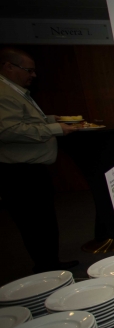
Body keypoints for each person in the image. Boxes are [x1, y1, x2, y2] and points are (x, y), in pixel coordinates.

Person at [0, 47, 77, 273]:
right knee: (33, 224)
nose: (33, 75)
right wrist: (54, 128)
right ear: (8, 66)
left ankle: (50, 265)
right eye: (28, 70)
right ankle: (46, 271)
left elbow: (29, 120)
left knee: (44, 222)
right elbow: (8, 130)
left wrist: (54, 119)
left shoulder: (15, 91)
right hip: (17, 172)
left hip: (31, 169)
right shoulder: (4, 93)